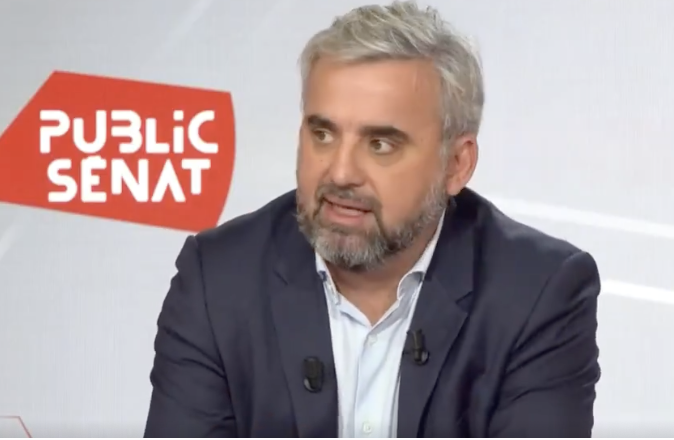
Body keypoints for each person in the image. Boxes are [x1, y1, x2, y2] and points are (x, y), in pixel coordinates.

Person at [144, 1, 601, 437]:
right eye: (323, 134)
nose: (341, 173)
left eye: (380, 144)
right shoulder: (219, 280)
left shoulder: (537, 294)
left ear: (456, 164)